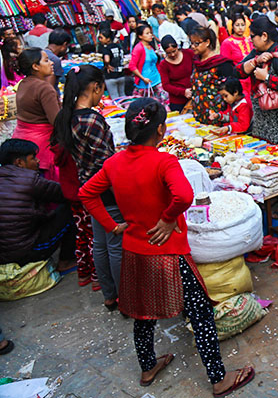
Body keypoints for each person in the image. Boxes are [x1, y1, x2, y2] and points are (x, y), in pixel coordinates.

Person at [78, 98, 255, 394]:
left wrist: (112, 227)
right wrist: (168, 218)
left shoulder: (113, 163)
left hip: (135, 249)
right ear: (161, 129)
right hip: (169, 252)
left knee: (143, 314)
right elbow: (184, 195)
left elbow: (87, 194)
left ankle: (147, 367)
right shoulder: (164, 161)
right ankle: (219, 378)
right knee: (200, 313)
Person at [50, 65, 123, 310]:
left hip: (87, 185)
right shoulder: (91, 119)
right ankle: (124, 296)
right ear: (95, 87)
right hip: (103, 188)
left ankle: (109, 295)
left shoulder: (67, 116)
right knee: (114, 244)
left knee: (100, 244)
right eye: (101, 89)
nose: (102, 94)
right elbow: (107, 162)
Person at [0, 138, 76, 268]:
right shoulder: (29, 180)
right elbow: (67, 194)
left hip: (3, 255)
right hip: (26, 252)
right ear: (19, 162)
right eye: (33, 158)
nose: (38, 161)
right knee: (72, 207)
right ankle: (65, 261)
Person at [237, 16, 278, 145]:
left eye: (252, 37)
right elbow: (237, 71)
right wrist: (255, 61)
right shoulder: (257, 53)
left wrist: (267, 78)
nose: (250, 41)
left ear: (264, 36)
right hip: (263, 121)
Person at [12, 48, 59, 180]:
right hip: (41, 145)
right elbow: (56, 121)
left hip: (21, 139)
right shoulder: (44, 88)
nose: (51, 63)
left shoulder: (23, 83)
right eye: (46, 60)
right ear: (35, 66)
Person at [188, 27, 235, 125]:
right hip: (199, 112)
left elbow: (231, 89)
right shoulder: (196, 62)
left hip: (217, 114)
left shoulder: (221, 63)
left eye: (196, 43)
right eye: (191, 43)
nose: (193, 46)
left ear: (207, 42)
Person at [156, 37, 194, 113]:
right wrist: (183, 92)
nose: (172, 54)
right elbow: (166, 85)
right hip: (177, 100)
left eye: (174, 51)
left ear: (177, 47)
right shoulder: (164, 65)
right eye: (169, 53)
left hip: (193, 95)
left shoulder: (188, 53)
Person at [220, 14, 253, 98]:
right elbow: (225, 66)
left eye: (243, 25)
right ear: (232, 26)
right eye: (237, 25)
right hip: (239, 82)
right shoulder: (227, 43)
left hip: (253, 79)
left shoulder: (249, 40)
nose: (240, 28)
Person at [128, 24, 163, 99]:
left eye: (150, 33)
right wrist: (143, 78)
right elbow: (132, 66)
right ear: (140, 36)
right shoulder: (138, 48)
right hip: (144, 82)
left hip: (156, 79)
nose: (150, 35)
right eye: (147, 33)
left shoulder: (151, 46)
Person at [98, 27, 126, 100]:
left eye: (101, 38)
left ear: (108, 39)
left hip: (111, 76)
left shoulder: (106, 49)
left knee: (115, 98)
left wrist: (107, 65)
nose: (100, 40)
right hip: (121, 75)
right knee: (122, 95)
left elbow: (107, 59)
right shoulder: (118, 46)